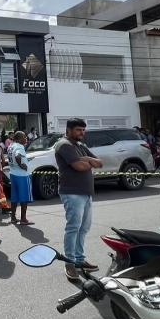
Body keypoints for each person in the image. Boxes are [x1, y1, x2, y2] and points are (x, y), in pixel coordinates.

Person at [55, 118, 102, 281]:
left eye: (83, 130)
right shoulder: (64, 144)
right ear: (68, 130)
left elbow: (100, 163)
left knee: (84, 228)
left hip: (86, 192)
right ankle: (69, 262)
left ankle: (80, 260)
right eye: (78, 130)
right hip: (72, 192)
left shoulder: (80, 146)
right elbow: (79, 167)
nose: (81, 133)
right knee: (73, 227)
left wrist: (86, 159)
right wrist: (88, 161)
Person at [8, 131, 33, 225]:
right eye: (24, 137)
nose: (26, 138)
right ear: (19, 139)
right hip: (22, 175)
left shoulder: (11, 145)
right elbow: (17, 156)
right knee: (24, 197)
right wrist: (21, 165)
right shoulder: (19, 146)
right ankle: (23, 219)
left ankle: (13, 217)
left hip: (13, 174)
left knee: (14, 197)